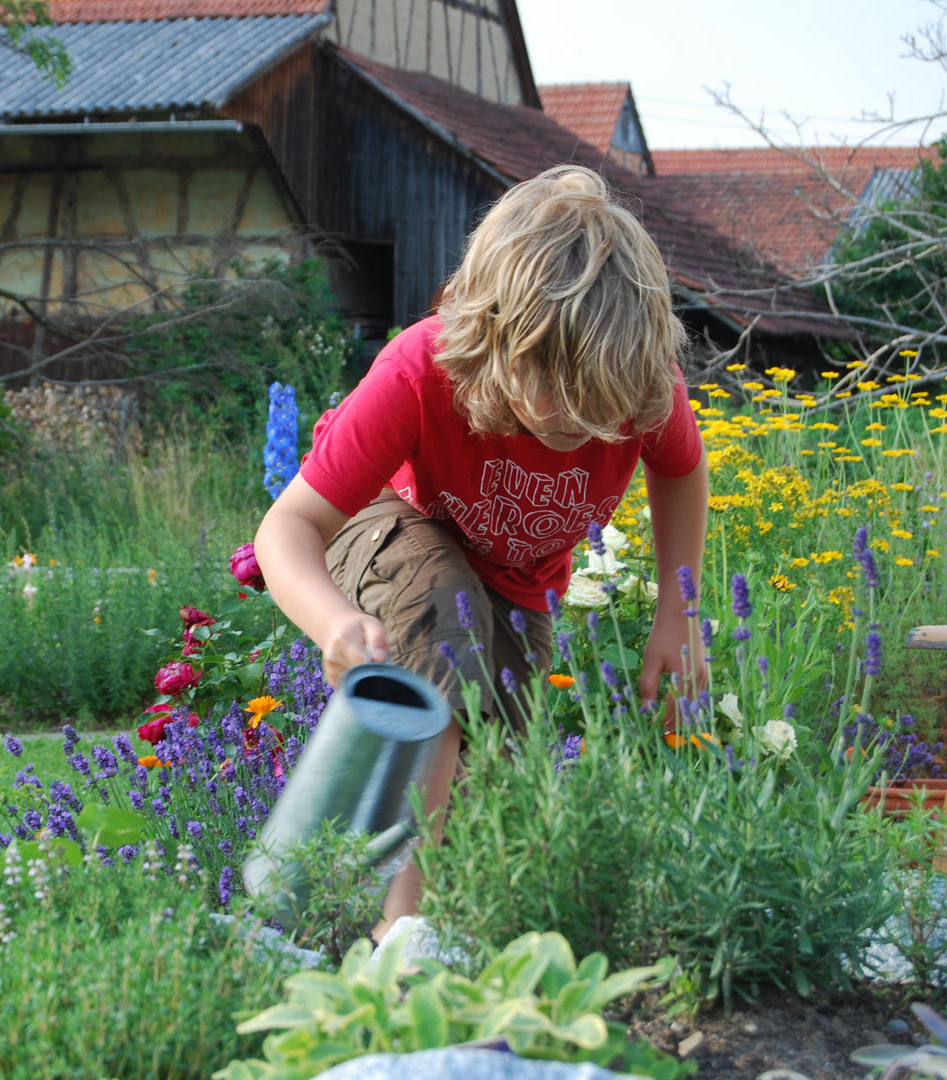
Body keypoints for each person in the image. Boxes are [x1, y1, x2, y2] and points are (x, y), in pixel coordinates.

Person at [251, 165, 710, 939]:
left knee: (497, 761)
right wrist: (331, 620)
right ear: (496, 339)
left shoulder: (633, 381)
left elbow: (682, 472)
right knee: (440, 651)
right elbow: (284, 529)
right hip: (387, 523)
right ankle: (401, 943)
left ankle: (368, 923)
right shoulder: (420, 370)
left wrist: (679, 614)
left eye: (604, 407)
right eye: (558, 395)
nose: (581, 421)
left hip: (514, 580)